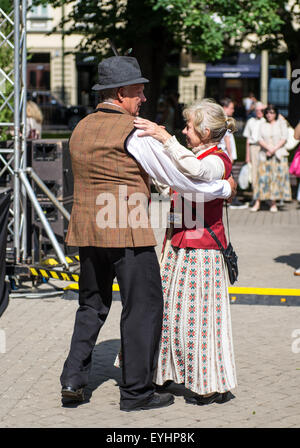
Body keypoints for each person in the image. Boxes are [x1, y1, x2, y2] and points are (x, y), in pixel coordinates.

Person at [60, 56, 237, 412]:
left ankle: (72, 379)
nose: (143, 98)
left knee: (91, 306)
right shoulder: (136, 132)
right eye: (139, 91)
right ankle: (137, 392)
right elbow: (180, 180)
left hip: (86, 229)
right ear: (122, 93)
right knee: (143, 307)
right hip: (127, 232)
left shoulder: (80, 128)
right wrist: (224, 188)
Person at [133, 98, 237, 405]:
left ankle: (209, 384)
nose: (184, 130)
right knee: (169, 315)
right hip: (178, 245)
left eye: (189, 126)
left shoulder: (218, 159)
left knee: (199, 319)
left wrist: (165, 138)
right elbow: (182, 183)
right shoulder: (197, 154)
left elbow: (199, 172)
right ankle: (164, 373)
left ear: (205, 131)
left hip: (202, 250)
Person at [251, 104, 290, 212]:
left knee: (275, 179)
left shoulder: (281, 123)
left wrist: (274, 149)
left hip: (278, 154)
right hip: (264, 154)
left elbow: (284, 137)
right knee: (262, 179)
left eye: (272, 112)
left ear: (276, 114)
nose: (269, 115)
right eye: (267, 112)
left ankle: (273, 203)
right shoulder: (262, 124)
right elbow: (259, 138)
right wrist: (268, 148)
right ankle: (257, 203)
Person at [219, 98, 248, 209]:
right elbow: (227, 138)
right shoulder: (225, 120)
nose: (233, 110)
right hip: (226, 153)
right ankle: (232, 200)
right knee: (228, 177)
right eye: (231, 108)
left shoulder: (221, 120)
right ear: (224, 108)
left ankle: (228, 199)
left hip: (224, 153)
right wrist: (230, 155)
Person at [243, 101, 266, 203]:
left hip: (264, 148)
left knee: (264, 172)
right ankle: (256, 197)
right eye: (257, 110)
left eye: (261, 110)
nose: (259, 112)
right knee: (254, 173)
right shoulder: (251, 121)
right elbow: (248, 140)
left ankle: (264, 196)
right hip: (253, 148)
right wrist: (247, 156)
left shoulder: (266, 121)